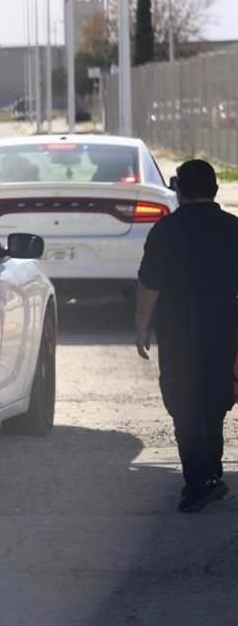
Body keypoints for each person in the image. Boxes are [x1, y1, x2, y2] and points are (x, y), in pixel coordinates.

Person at [136, 159, 238, 513]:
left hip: (179, 332)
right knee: (214, 399)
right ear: (215, 189)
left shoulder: (166, 230)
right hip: (225, 331)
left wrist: (141, 326)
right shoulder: (233, 228)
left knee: (183, 403)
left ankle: (199, 481)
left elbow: (150, 283)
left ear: (178, 190)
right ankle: (209, 472)